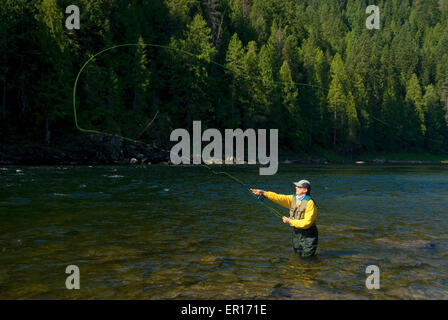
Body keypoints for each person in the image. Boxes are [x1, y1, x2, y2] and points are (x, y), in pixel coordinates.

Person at [250, 180, 318, 258]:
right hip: (297, 233)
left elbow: (307, 223)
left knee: (307, 257)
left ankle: (309, 268)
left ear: (305, 190)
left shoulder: (310, 203)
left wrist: (290, 221)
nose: (296, 187)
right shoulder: (293, 198)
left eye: (299, 187)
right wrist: (264, 193)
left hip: (309, 235)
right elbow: (279, 197)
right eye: (296, 186)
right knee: (297, 254)